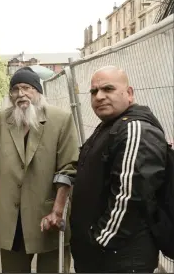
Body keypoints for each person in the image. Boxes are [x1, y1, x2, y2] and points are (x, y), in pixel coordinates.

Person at [0, 67, 79, 273]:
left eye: (27, 88)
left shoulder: (60, 119)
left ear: (38, 92)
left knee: (52, 269)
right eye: (15, 89)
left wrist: (57, 211)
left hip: (47, 215)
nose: (21, 94)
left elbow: (68, 168)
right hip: (11, 218)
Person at [70, 66, 167, 273]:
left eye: (108, 89)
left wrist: (98, 241)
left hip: (119, 258)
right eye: (94, 91)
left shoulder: (135, 129)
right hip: (102, 256)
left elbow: (130, 198)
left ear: (129, 93)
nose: (99, 96)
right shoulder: (110, 126)